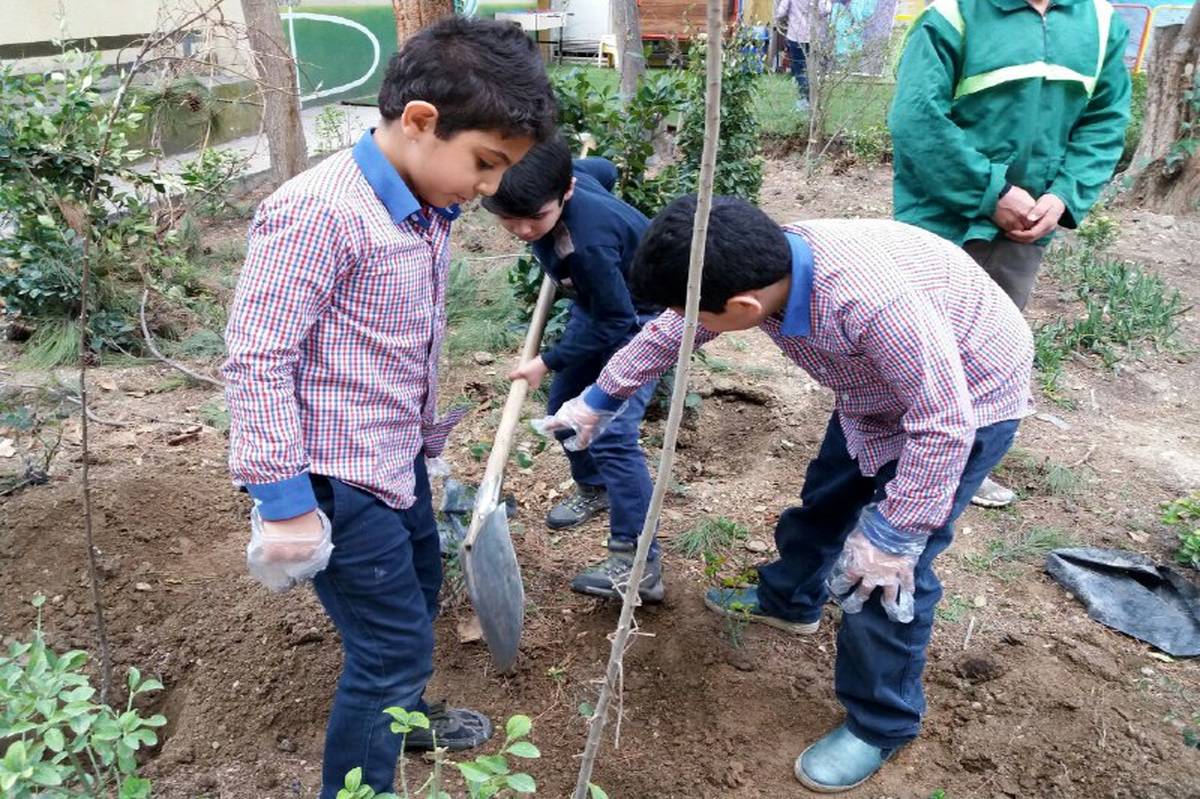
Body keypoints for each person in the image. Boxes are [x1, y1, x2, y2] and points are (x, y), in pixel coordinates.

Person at [540, 196, 1034, 793]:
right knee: (825, 502)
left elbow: (942, 419)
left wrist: (896, 534)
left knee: (881, 575)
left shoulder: (868, 304)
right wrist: (601, 398)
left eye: (698, 311)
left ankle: (883, 723)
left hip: (968, 402)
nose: (684, 320)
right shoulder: (760, 265)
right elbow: (678, 325)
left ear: (746, 307)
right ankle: (789, 601)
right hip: (875, 393)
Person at [221, 17, 556, 799]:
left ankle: (402, 712)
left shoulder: (422, 203)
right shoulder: (319, 213)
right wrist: (285, 504)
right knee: (390, 646)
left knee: (417, 584)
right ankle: (362, 780)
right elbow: (259, 357)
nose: (487, 187)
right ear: (420, 122)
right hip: (334, 473)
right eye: (484, 163)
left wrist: (421, 442)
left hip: (392, 453)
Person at [888, 0, 1131, 507]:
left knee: (987, 350)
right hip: (942, 217)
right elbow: (918, 120)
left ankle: (961, 463)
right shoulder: (953, 15)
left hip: (1025, 228)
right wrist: (990, 192)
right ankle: (886, 458)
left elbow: (1104, 121)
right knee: (907, 343)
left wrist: (1064, 194)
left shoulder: (1101, 23)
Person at [480, 135, 664, 602]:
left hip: (642, 319)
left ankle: (638, 564)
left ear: (564, 194)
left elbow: (618, 320)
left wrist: (548, 359)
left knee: (613, 433)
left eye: (534, 218)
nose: (523, 230)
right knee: (564, 407)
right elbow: (603, 168)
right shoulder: (574, 180)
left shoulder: (585, 246)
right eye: (509, 220)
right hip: (597, 303)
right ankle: (595, 487)